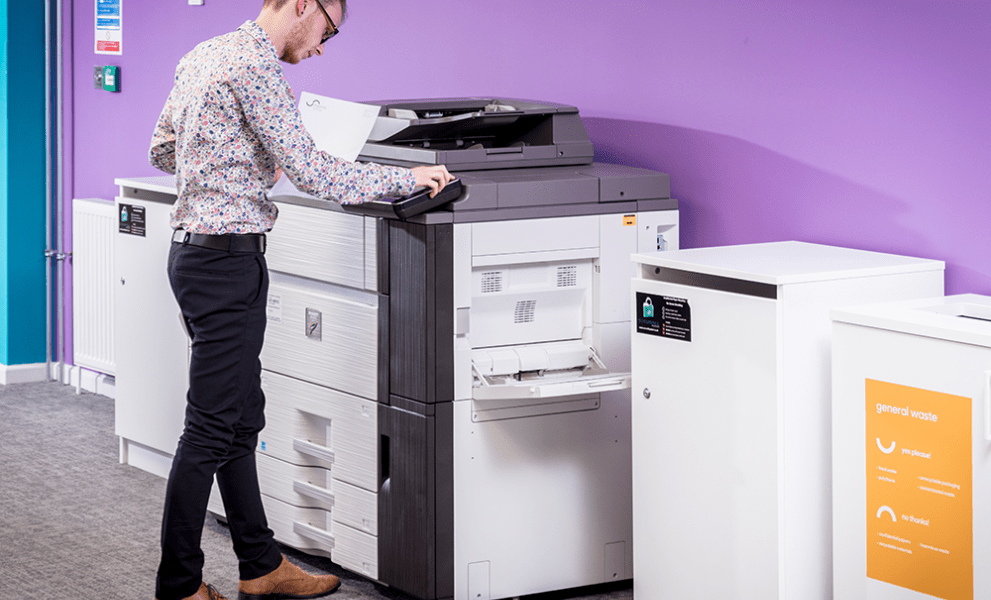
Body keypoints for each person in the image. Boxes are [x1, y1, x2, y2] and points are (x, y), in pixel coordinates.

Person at [148, 1, 453, 599]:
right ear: (304, 4)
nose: (321, 47)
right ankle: (179, 585)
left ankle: (259, 566)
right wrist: (407, 178)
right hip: (226, 263)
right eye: (327, 31)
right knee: (210, 428)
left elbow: (162, 150)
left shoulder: (203, 55)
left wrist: (233, 159)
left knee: (237, 421)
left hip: (196, 257)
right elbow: (317, 175)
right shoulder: (256, 67)